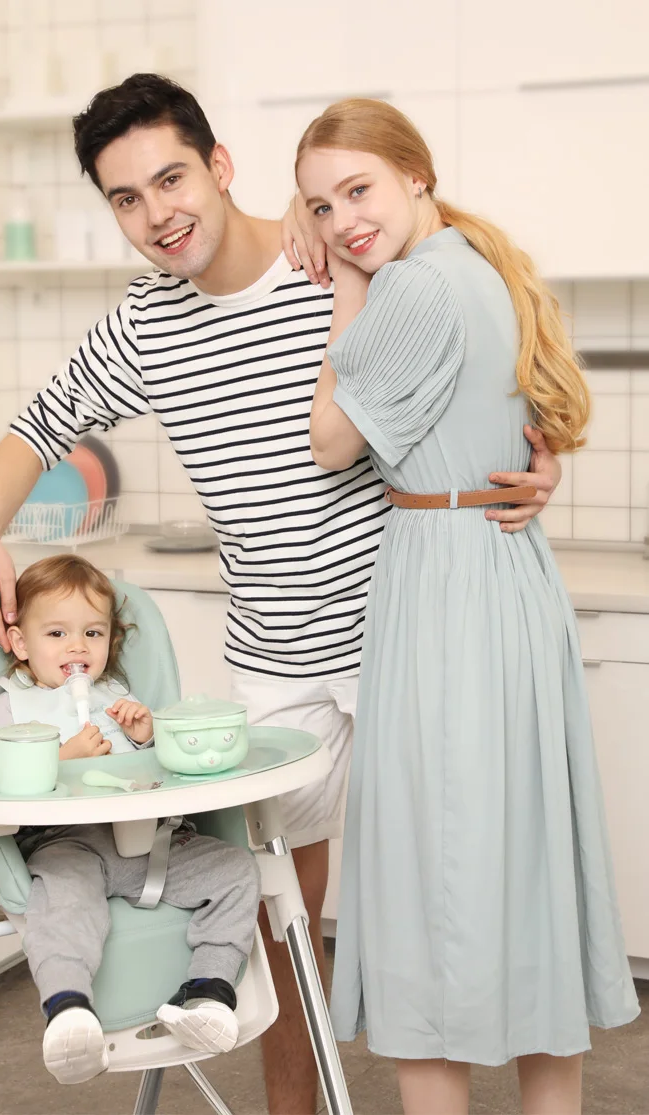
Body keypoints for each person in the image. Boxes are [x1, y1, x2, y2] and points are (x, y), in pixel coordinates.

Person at [0, 74, 561, 1114]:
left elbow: (474, 338)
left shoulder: (330, 254)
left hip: (401, 634)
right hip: (275, 657)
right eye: (126, 198)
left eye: (171, 179)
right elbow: (39, 423)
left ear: (219, 165)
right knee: (281, 917)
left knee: (464, 894)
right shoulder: (143, 325)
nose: (158, 214)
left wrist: (537, 454)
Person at [294, 97, 639, 1115]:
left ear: (416, 174)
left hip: (444, 585)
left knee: (425, 887)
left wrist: (348, 285)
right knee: (526, 875)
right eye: (322, 206)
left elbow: (329, 442)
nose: (343, 220)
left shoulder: (407, 284)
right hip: (507, 576)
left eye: (358, 190)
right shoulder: (487, 266)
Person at [0, 553, 260, 1085]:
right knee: (62, 904)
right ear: (19, 643)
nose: (77, 647)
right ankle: (69, 1009)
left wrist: (148, 738)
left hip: (150, 845)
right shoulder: (12, 705)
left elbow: (160, 773)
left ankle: (208, 992)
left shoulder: (117, 699)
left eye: (93, 633)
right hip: (68, 845)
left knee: (236, 871)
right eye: (56, 633)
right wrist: (62, 758)